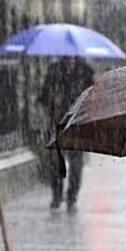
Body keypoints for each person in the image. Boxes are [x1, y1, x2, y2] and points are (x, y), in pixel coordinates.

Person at [38, 56, 95, 210]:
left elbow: (93, 96)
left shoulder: (85, 71)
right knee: (56, 162)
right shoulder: (54, 71)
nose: (69, 58)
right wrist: (53, 102)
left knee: (76, 164)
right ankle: (57, 195)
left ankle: (72, 197)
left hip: (77, 123)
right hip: (57, 123)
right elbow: (43, 97)